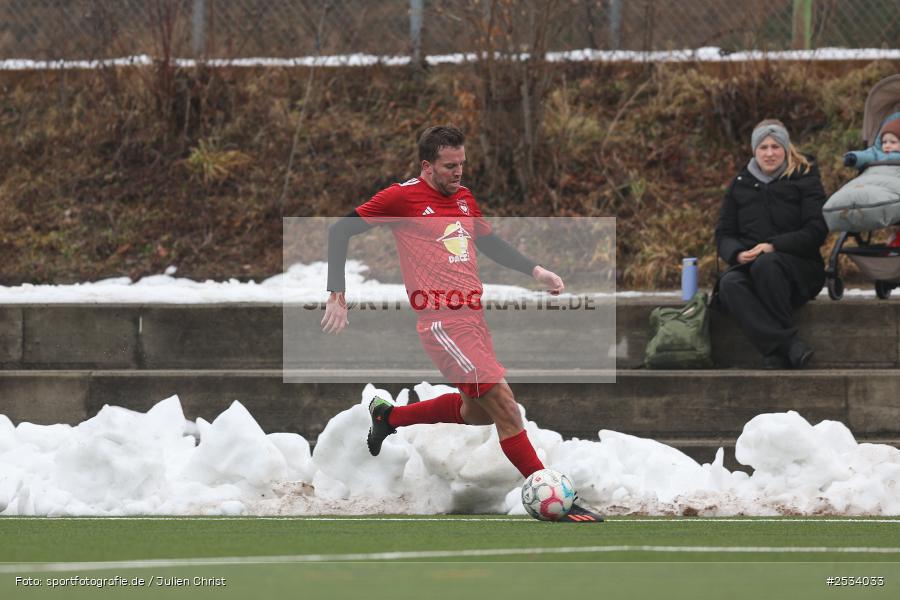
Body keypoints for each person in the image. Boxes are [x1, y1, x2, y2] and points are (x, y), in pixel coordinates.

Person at [321, 125, 602, 522]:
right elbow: (341, 229)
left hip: (474, 319)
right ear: (427, 166)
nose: (458, 173)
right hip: (442, 323)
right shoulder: (402, 197)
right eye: (449, 166)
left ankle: (390, 417)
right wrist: (337, 292)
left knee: (479, 413)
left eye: (462, 164)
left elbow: (486, 241)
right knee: (505, 405)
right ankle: (553, 496)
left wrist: (535, 270)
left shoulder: (465, 198)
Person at [715, 119, 828, 369]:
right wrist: (737, 253)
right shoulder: (740, 184)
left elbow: (817, 230)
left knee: (767, 264)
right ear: (754, 150)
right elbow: (724, 233)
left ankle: (776, 349)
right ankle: (786, 347)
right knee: (729, 283)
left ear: (786, 149)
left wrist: (775, 246)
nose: (769, 153)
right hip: (752, 266)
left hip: (800, 268)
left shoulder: (805, 178)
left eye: (775, 146)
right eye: (763, 147)